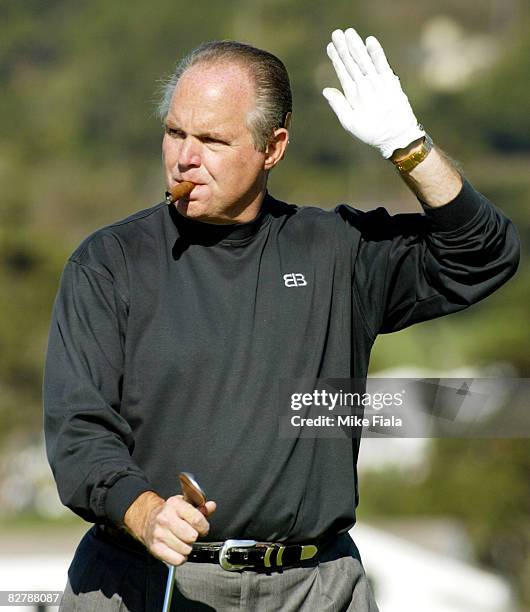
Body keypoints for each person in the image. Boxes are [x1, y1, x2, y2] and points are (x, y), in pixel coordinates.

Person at [43, 27, 519, 612]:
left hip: (315, 588)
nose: (184, 157)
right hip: (143, 581)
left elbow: (484, 254)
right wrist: (143, 512)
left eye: (212, 140)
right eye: (174, 132)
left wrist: (408, 146)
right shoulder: (109, 262)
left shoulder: (335, 250)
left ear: (272, 148)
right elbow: (78, 432)